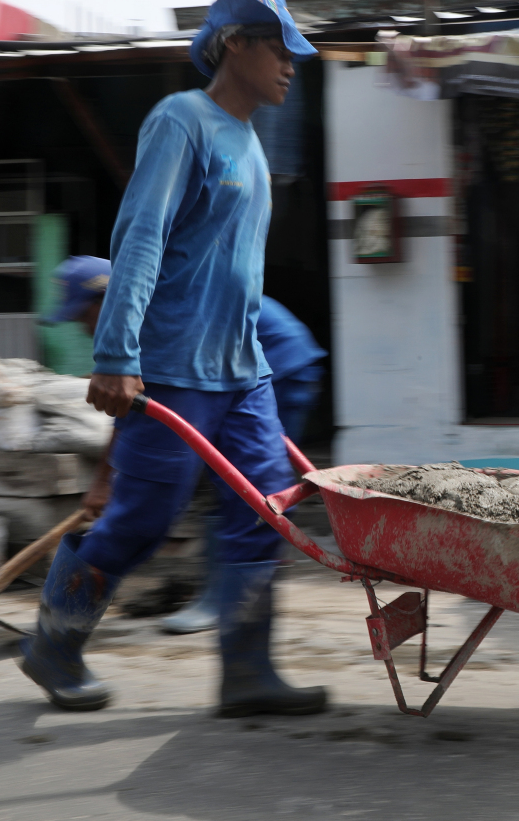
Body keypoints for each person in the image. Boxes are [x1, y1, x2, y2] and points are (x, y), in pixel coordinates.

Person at [18, 0, 326, 718]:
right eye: (278, 48)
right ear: (234, 44)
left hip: (244, 371)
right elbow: (142, 237)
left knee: (263, 511)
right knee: (142, 521)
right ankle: (54, 643)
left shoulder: (249, 144)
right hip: (170, 371)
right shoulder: (180, 120)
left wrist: (252, 361)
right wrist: (117, 355)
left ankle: (248, 673)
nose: (290, 66)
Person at [44, 259, 326, 635]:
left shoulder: (151, 321)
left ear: (106, 298)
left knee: (246, 494)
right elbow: (133, 412)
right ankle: (219, 597)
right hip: (243, 364)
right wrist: (103, 482)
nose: (83, 328)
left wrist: (103, 483)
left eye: (84, 316)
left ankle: (216, 600)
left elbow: (133, 414)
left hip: (280, 365)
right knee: (236, 492)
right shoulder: (148, 316)